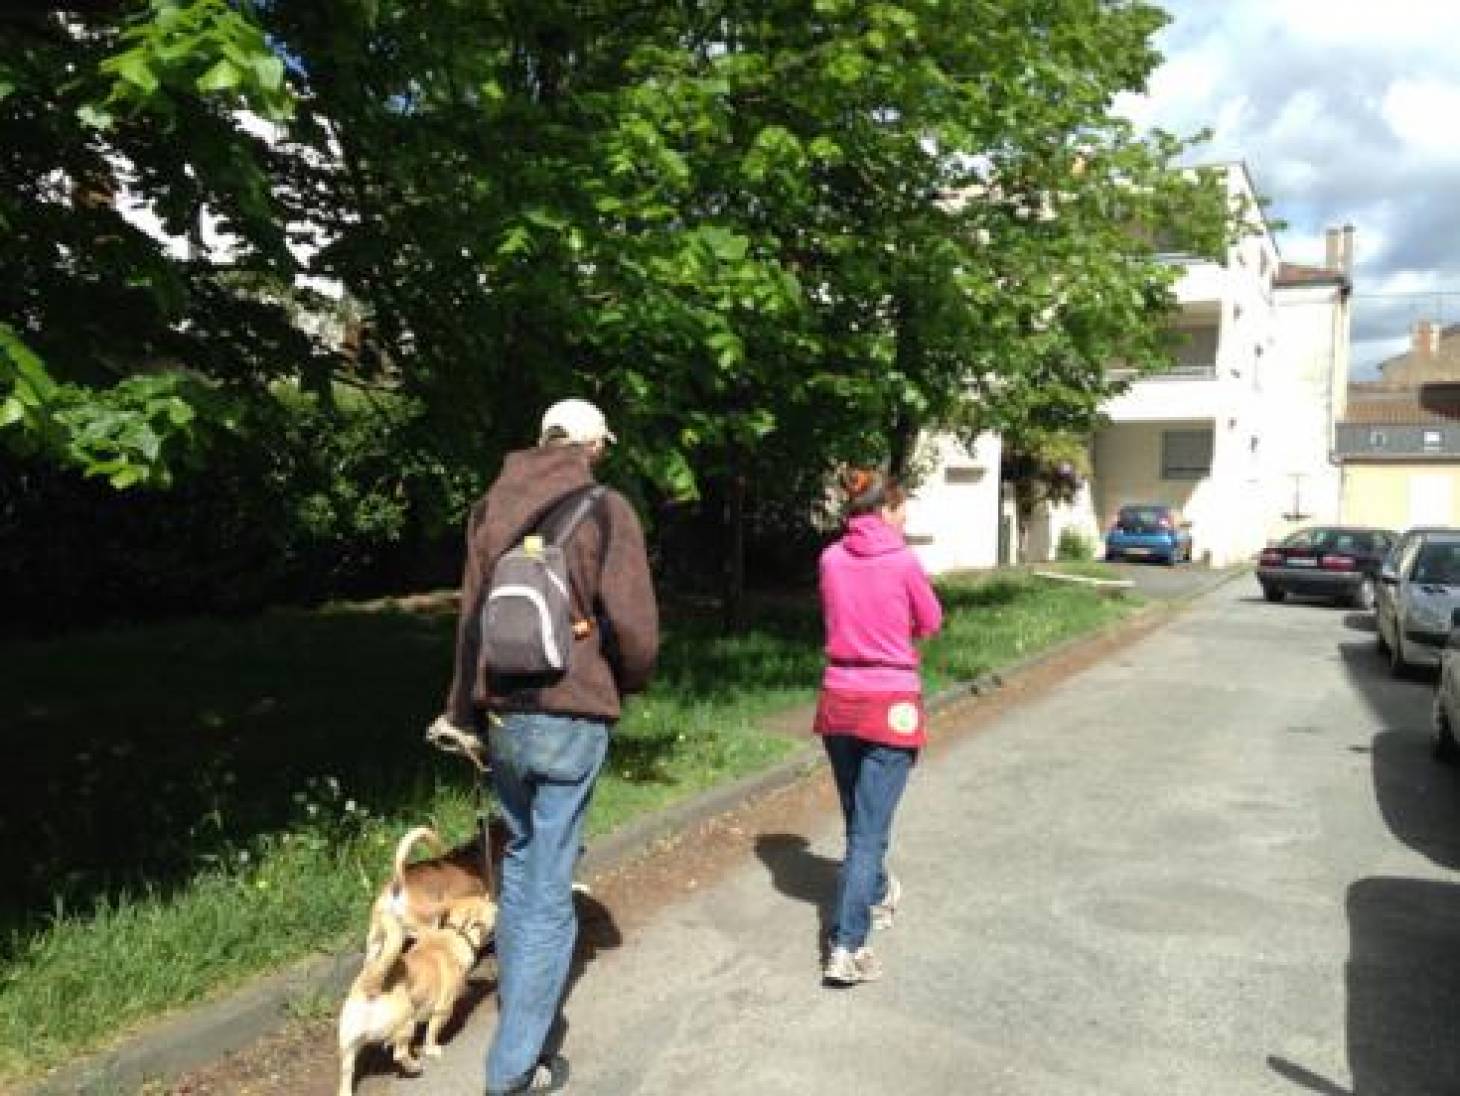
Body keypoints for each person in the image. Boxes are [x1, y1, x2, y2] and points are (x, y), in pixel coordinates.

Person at [433, 398, 658, 1094]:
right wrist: (626, 680)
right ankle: (513, 1067)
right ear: (590, 444)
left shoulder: (489, 506)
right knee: (550, 884)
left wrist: (461, 710)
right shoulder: (605, 507)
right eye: (603, 447)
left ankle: (517, 1011)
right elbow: (636, 625)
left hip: (504, 717)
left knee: (525, 861)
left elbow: (471, 619)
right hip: (570, 716)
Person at [814, 467, 942, 986]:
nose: (906, 516)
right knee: (867, 831)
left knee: (860, 823)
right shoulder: (904, 561)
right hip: (891, 700)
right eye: (902, 508)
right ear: (884, 510)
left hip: (840, 699)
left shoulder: (829, 559)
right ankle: (848, 945)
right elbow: (931, 621)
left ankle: (881, 888)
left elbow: (838, 615)